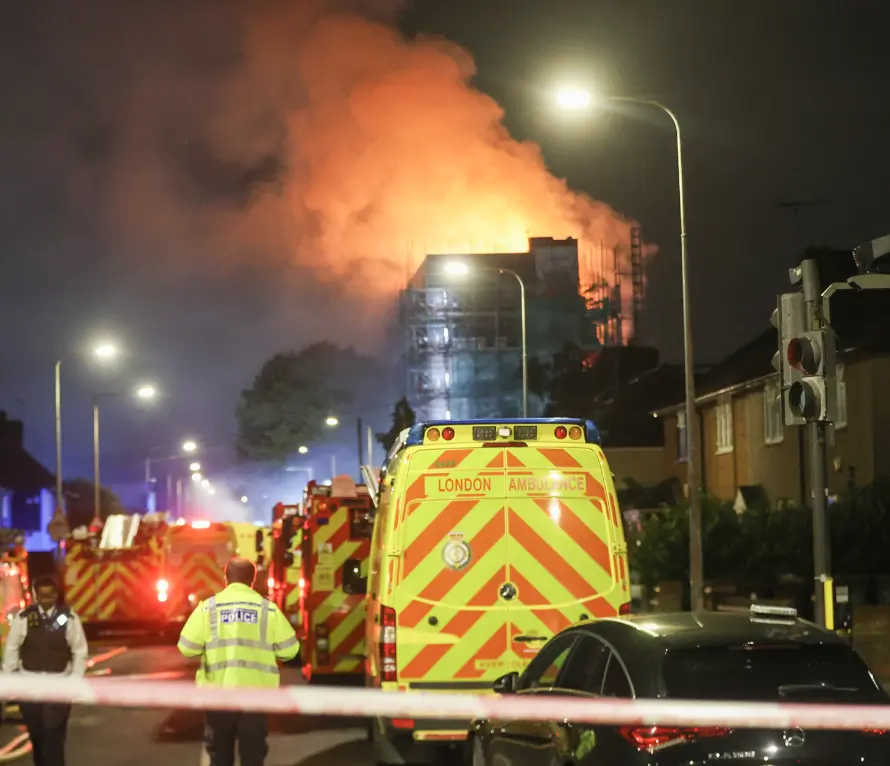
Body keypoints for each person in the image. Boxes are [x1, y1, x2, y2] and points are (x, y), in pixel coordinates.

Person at [178, 557, 299, 766]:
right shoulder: (267, 610)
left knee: (220, 756)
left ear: (226, 579)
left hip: (218, 696)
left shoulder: (208, 608)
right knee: (253, 756)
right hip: (255, 696)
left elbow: (187, 648)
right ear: (252, 580)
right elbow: (290, 651)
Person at [1, 576, 88, 766]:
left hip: (58, 687)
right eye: (42, 596)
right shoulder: (24, 618)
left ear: (56, 595)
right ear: (35, 596)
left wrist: (74, 681)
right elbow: (12, 648)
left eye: (50, 596)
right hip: (29, 686)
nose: (46, 600)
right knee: (38, 737)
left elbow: (79, 650)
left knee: (53, 737)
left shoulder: (67, 618)